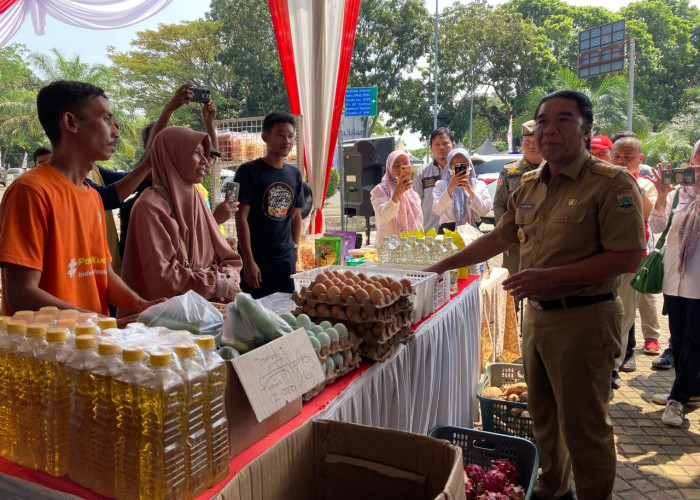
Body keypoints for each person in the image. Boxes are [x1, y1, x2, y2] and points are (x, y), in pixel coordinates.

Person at [426, 90, 645, 500]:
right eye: (543, 120)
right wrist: (441, 265)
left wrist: (552, 278)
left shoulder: (611, 183)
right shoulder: (529, 183)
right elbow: (500, 237)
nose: (549, 129)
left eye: (563, 119)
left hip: (585, 318)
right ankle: (551, 489)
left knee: (585, 427)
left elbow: (629, 256)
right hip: (538, 317)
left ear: (586, 130)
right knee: (543, 419)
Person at [0, 80, 163, 316]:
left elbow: (101, 273)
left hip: (90, 349)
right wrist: (96, 323)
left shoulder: (92, 196)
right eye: (106, 119)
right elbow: (21, 293)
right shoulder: (31, 191)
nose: (116, 131)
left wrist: (141, 305)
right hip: (45, 350)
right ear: (71, 122)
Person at [119, 126, 242, 308]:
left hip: (205, 310)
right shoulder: (150, 207)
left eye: (205, 155)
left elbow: (229, 258)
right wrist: (218, 284)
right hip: (168, 320)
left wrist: (229, 277)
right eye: (195, 153)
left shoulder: (196, 198)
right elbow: (163, 278)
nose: (205, 163)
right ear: (173, 156)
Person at [647, 140, 700, 426]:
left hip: (698, 281)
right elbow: (656, 228)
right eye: (699, 155)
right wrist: (661, 195)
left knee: (694, 340)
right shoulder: (680, 191)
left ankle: (677, 400)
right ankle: (689, 391)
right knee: (678, 337)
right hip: (674, 278)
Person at [609, 132, 662, 389]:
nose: (620, 161)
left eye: (628, 157)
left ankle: (613, 367)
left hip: (632, 259)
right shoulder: (599, 181)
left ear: (639, 159)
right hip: (600, 259)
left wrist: (632, 184)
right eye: (616, 156)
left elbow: (651, 214)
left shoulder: (647, 184)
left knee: (624, 315)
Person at [234, 112, 304, 299]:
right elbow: (241, 218)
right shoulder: (248, 172)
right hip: (257, 260)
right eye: (280, 134)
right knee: (257, 317)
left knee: (286, 314)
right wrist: (248, 261)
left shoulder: (294, 174)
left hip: (285, 260)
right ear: (266, 136)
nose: (286, 140)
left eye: (290, 136)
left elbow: (296, 216)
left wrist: (295, 249)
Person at [493, 120, 542, 278]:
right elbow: (500, 204)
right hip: (515, 241)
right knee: (513, 287)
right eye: (527, 142)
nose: (532, 146)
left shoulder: (554, 169)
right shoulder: (510, 170)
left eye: (536, 142)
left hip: (546, 242)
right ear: (521, 142)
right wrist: (504, 234)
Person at [432, 147, 491, 233]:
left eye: (463, 165)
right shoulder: (441, 185)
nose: (458, 168)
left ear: (469, 165)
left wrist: (470, 191)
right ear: (449, 167)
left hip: (472, 232)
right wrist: (450, 189)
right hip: (447, 233)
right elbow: (438, 210)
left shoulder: (479, 185)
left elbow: (484, 211)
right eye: (454, 166)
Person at [370, 150, 423, 243]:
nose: (400, 169)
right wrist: (396, 195)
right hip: (388, 249)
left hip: (410, 248)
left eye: (404, 165)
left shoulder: (412, 195)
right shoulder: (380, 190)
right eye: (397, 165)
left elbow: (418, 223)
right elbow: (384, 216)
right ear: (389, 167)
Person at [412, 127, 455, 232]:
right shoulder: (421, 174)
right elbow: (415, 205)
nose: (441, 147)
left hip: (457, 233)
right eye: (437, 144)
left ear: (453, 146)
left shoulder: (461, 172)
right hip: (430, 232)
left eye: (445, 143)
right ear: (431, 148)